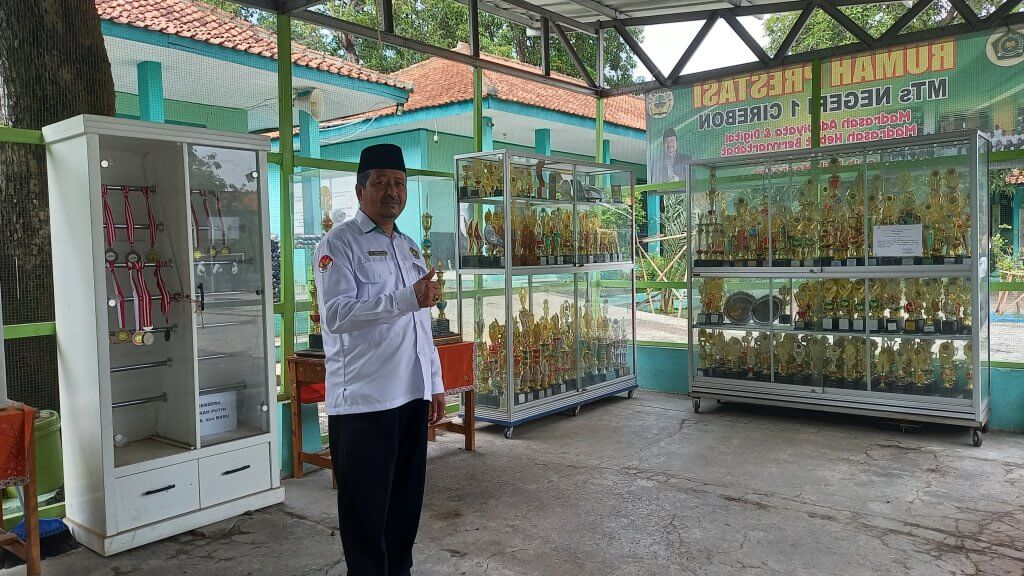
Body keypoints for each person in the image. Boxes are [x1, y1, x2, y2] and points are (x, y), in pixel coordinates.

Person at [313, 143, 446, 576]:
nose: (393, 191)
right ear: (360, 190)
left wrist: (435, 383)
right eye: (382, 182)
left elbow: (421, 323)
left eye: (400, 183)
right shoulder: (339, 243)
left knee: (404, 508)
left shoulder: (409, 247)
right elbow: (336, 315)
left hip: (410, 396)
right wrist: (406, 298)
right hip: (365, 403)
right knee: (366, 514)